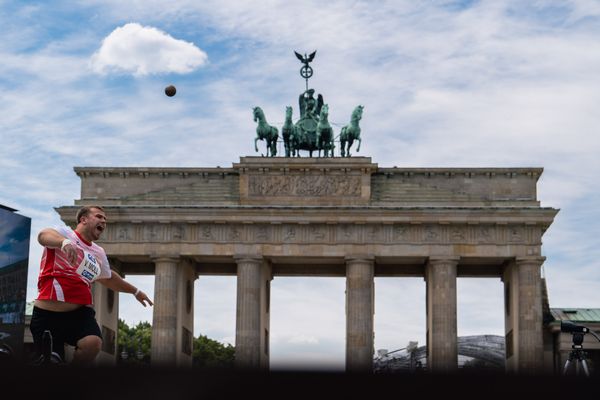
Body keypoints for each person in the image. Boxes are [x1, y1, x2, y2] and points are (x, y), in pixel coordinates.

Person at [30, 205, 153, 365]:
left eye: (105, 219)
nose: (103, 221)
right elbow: (42, 236)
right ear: (83, 219)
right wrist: (64, 243)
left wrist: (136, 291)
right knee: (50, 362)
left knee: (93, 343)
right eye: (99, 216)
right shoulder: (63, 233)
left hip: (78, 314)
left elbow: (108, 278)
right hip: (47, 315)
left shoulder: (98, 252)